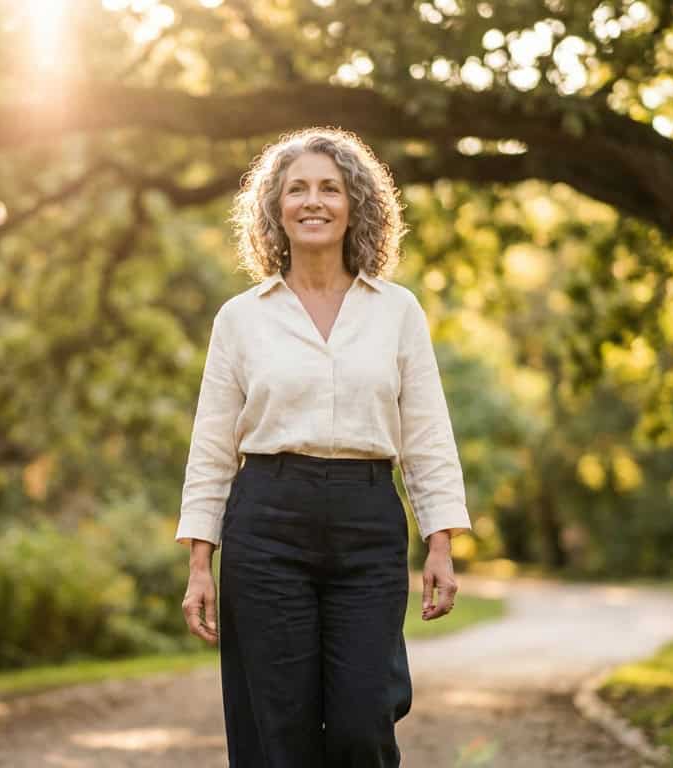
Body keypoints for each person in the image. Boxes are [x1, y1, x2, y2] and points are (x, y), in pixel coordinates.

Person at [175, 126, 473, 768]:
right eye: (297, 189)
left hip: (367, 525)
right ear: (275, 209)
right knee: (276, 730)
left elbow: (426, 436)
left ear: (355, 205)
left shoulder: (397, 312)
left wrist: (441, 542)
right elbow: (211, 449)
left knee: (363, 722)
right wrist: (201, 562)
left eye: (330, 188)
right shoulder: (242, 318)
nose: (314, 201)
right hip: (267, 524)